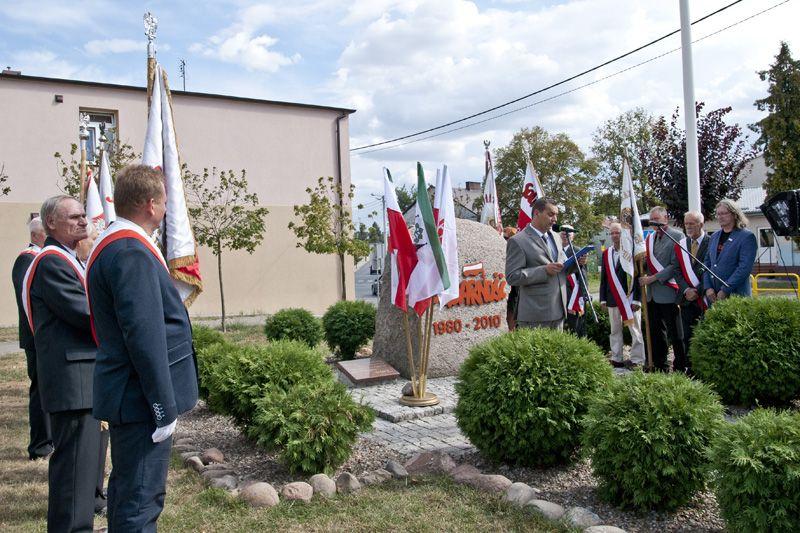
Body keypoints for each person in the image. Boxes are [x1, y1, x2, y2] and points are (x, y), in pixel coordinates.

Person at [87, 165, 199, 531]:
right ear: (150, 204)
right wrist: (162, 408)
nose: (168, 210)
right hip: (139, 400)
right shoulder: (130, 251)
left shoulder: (118, 244)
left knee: (128, 493)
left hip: (130, 396)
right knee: (140, 501)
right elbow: (145, 337)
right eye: (165, 202)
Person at [25, 196, 102, 532]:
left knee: (83, 468)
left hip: (82, 380)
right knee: (73, 471)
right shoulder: (51, 262)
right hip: (74, 383)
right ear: (51, 223)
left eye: (84, 215)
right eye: (74, 217)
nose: (83, 221)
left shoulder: (70, 259)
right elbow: (86, 313)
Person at [11, 216, 52, 460]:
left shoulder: (40, 258)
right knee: (41, 391)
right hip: (37, 338)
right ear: (38, 235)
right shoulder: (27, 259)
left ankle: (49, 440)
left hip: (44, 338)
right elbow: (30, 300)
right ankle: (40, 444)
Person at [505, 197, 575, 330]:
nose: (555, 219)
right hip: (535, 315)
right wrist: (544, 271)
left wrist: (576, 264)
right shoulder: (518, 241)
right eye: (551, 214)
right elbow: (512, 277)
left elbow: (559, 271)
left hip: (559, 310)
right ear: (536, 213)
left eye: (556, 215)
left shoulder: (556, 237)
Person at [639, 206, 688, 372]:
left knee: (676, 333)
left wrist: (652, 278)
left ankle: (681, 365)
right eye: (652, 220)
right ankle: (660, 364)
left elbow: (675, 265)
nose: (654, 223)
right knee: (656, 332)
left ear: (666, 218)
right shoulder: (650, 239)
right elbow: (647, 264)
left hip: (669, 291)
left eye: (657, 220)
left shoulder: (677, 236)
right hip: (652, 294)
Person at [599, 222, 645, 368]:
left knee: (635, 330)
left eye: (617, 232)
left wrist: (637, 299)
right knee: (615, 331)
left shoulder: (631, 252)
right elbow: (604, 279)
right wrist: (602, 299)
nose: (614, 236)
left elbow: (638, 277)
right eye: (611, 233)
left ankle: (637, 360)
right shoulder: (606, 253)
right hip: (612, 298)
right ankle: (617, 358)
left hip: (629, 299)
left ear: (623, 234)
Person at [704, 199, 758, 303]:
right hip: (713, 296)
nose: (720, 217)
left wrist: (725, 289)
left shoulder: (746, 237)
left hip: (736, 296)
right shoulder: (714, 236)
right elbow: (707, 263)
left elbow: (744, 268)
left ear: (734, 214)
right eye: (718, 214)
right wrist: (708, 287)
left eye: (724, 213)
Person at [677, 211, 710, 369]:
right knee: (687, 336)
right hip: (686, 299)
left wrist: (697, 290)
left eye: (692, 223)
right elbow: (677, 270)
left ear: (701, 224)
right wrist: (685, 290)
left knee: (704, 334)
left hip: (704, 298)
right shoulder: (682, 244)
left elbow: (712, 270)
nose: (688, 226)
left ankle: (703, 367)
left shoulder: (711, 242)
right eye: (686, 223)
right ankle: (689, 367)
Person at [561, 231, 588, 337]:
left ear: (573, 236)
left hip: (574, 294)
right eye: (563, 232)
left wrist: (582, 294)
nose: (565, 234)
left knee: (576, 326)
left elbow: (583, 274)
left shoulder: (578, 251)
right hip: (560, 292)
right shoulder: (555, 250)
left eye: (569, 232)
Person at [502, 226, 519, 331]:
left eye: (506, 234)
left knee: (512, 308)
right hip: (502, 280)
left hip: (513, 283)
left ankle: (511, 329)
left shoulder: (514, 245)